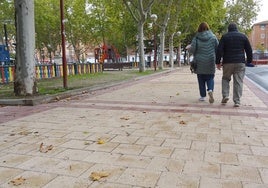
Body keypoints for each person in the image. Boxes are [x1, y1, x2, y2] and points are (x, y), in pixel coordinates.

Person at [216, 23, 253, 107]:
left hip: (227, 62)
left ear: (228, 29)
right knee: (238, 81)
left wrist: (218, 62)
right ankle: (237, 101)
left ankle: (225, 95)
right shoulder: (243, 36)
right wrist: (249, 61)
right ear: (237, 29)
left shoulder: (225, 37)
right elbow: (249, 49)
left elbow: (219, 50)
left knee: (225, 78)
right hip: (240, 62)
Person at [187, 22, 219, 103]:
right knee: (210, 77)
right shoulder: (213, 37)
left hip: (199, 61)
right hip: (210, 60)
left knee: (201, 79)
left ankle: (202, 96)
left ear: (199, 28)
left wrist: (188, 48)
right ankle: (210, 90)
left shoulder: (196, 38)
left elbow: (192, 49)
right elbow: (217, 48)